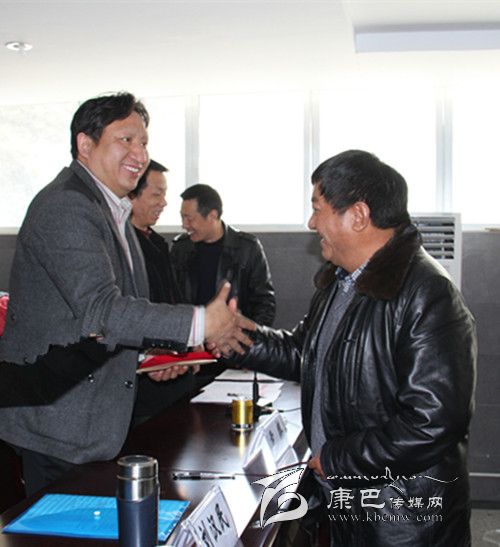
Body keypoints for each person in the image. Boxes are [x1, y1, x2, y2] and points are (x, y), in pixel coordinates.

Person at [0, 92, 252, 495]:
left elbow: (110, 319)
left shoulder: (114, 210)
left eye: (144, 143)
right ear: (85, 144)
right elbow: (101, 310)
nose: (140, 154)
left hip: (95, 424)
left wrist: (150, 357)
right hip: (57, 423)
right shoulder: (66, 205)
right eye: (126, 140)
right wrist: (201, 322)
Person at [234, 150, 476, 546]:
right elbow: (304, 354)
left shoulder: (428, 294)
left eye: (318, 209)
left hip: (402, 521)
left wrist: (336, 459)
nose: (312, 223)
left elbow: (431, 422)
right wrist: (239, 340)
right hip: (352, 503)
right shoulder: (341, 282)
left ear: (358, 215)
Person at [129, 159, 194, 424]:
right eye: (157, 194)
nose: (164, 203)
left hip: (175, 378)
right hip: (143, 390)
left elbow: (173, 301)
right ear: (131, 194)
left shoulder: (157, 243)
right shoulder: (118, 247)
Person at [171, 183, 276, 326]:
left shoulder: (247, 248)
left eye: (189, 219)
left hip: (234, 336)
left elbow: (265, 303)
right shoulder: (180, 248)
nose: (184, 225)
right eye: (182, 217)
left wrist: (246, 335)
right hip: (191, 336)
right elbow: (170, 299)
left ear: (212, 215)